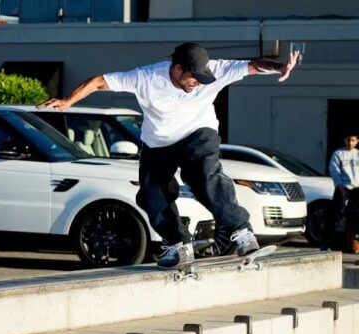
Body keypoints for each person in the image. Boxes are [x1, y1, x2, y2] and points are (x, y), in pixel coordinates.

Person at [39, 42, 300, 267]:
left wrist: (280, 68)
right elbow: (98, 82)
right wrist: (68, 101)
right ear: (177, 69)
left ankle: (240, 231)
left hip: (199, 132)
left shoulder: (217, 70)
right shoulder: (146, 78)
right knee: (152, 195)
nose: (197, 83)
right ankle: (177, 244)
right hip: (159, 143)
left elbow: (253, 65)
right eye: (192, 78)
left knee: (203, 175)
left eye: (201, 78)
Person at [327, 134, 359, 253]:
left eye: (353, 140)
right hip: (343, 188)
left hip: (357, 189)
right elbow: (334, 169)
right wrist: (339, 185)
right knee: (337, 214)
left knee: (355, 215)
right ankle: (330, 241)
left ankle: (354, 242)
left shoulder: (357, 154)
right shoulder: (338, 154)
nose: (350, 143)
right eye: (348, 140)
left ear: (357, 141)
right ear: (344, 140)